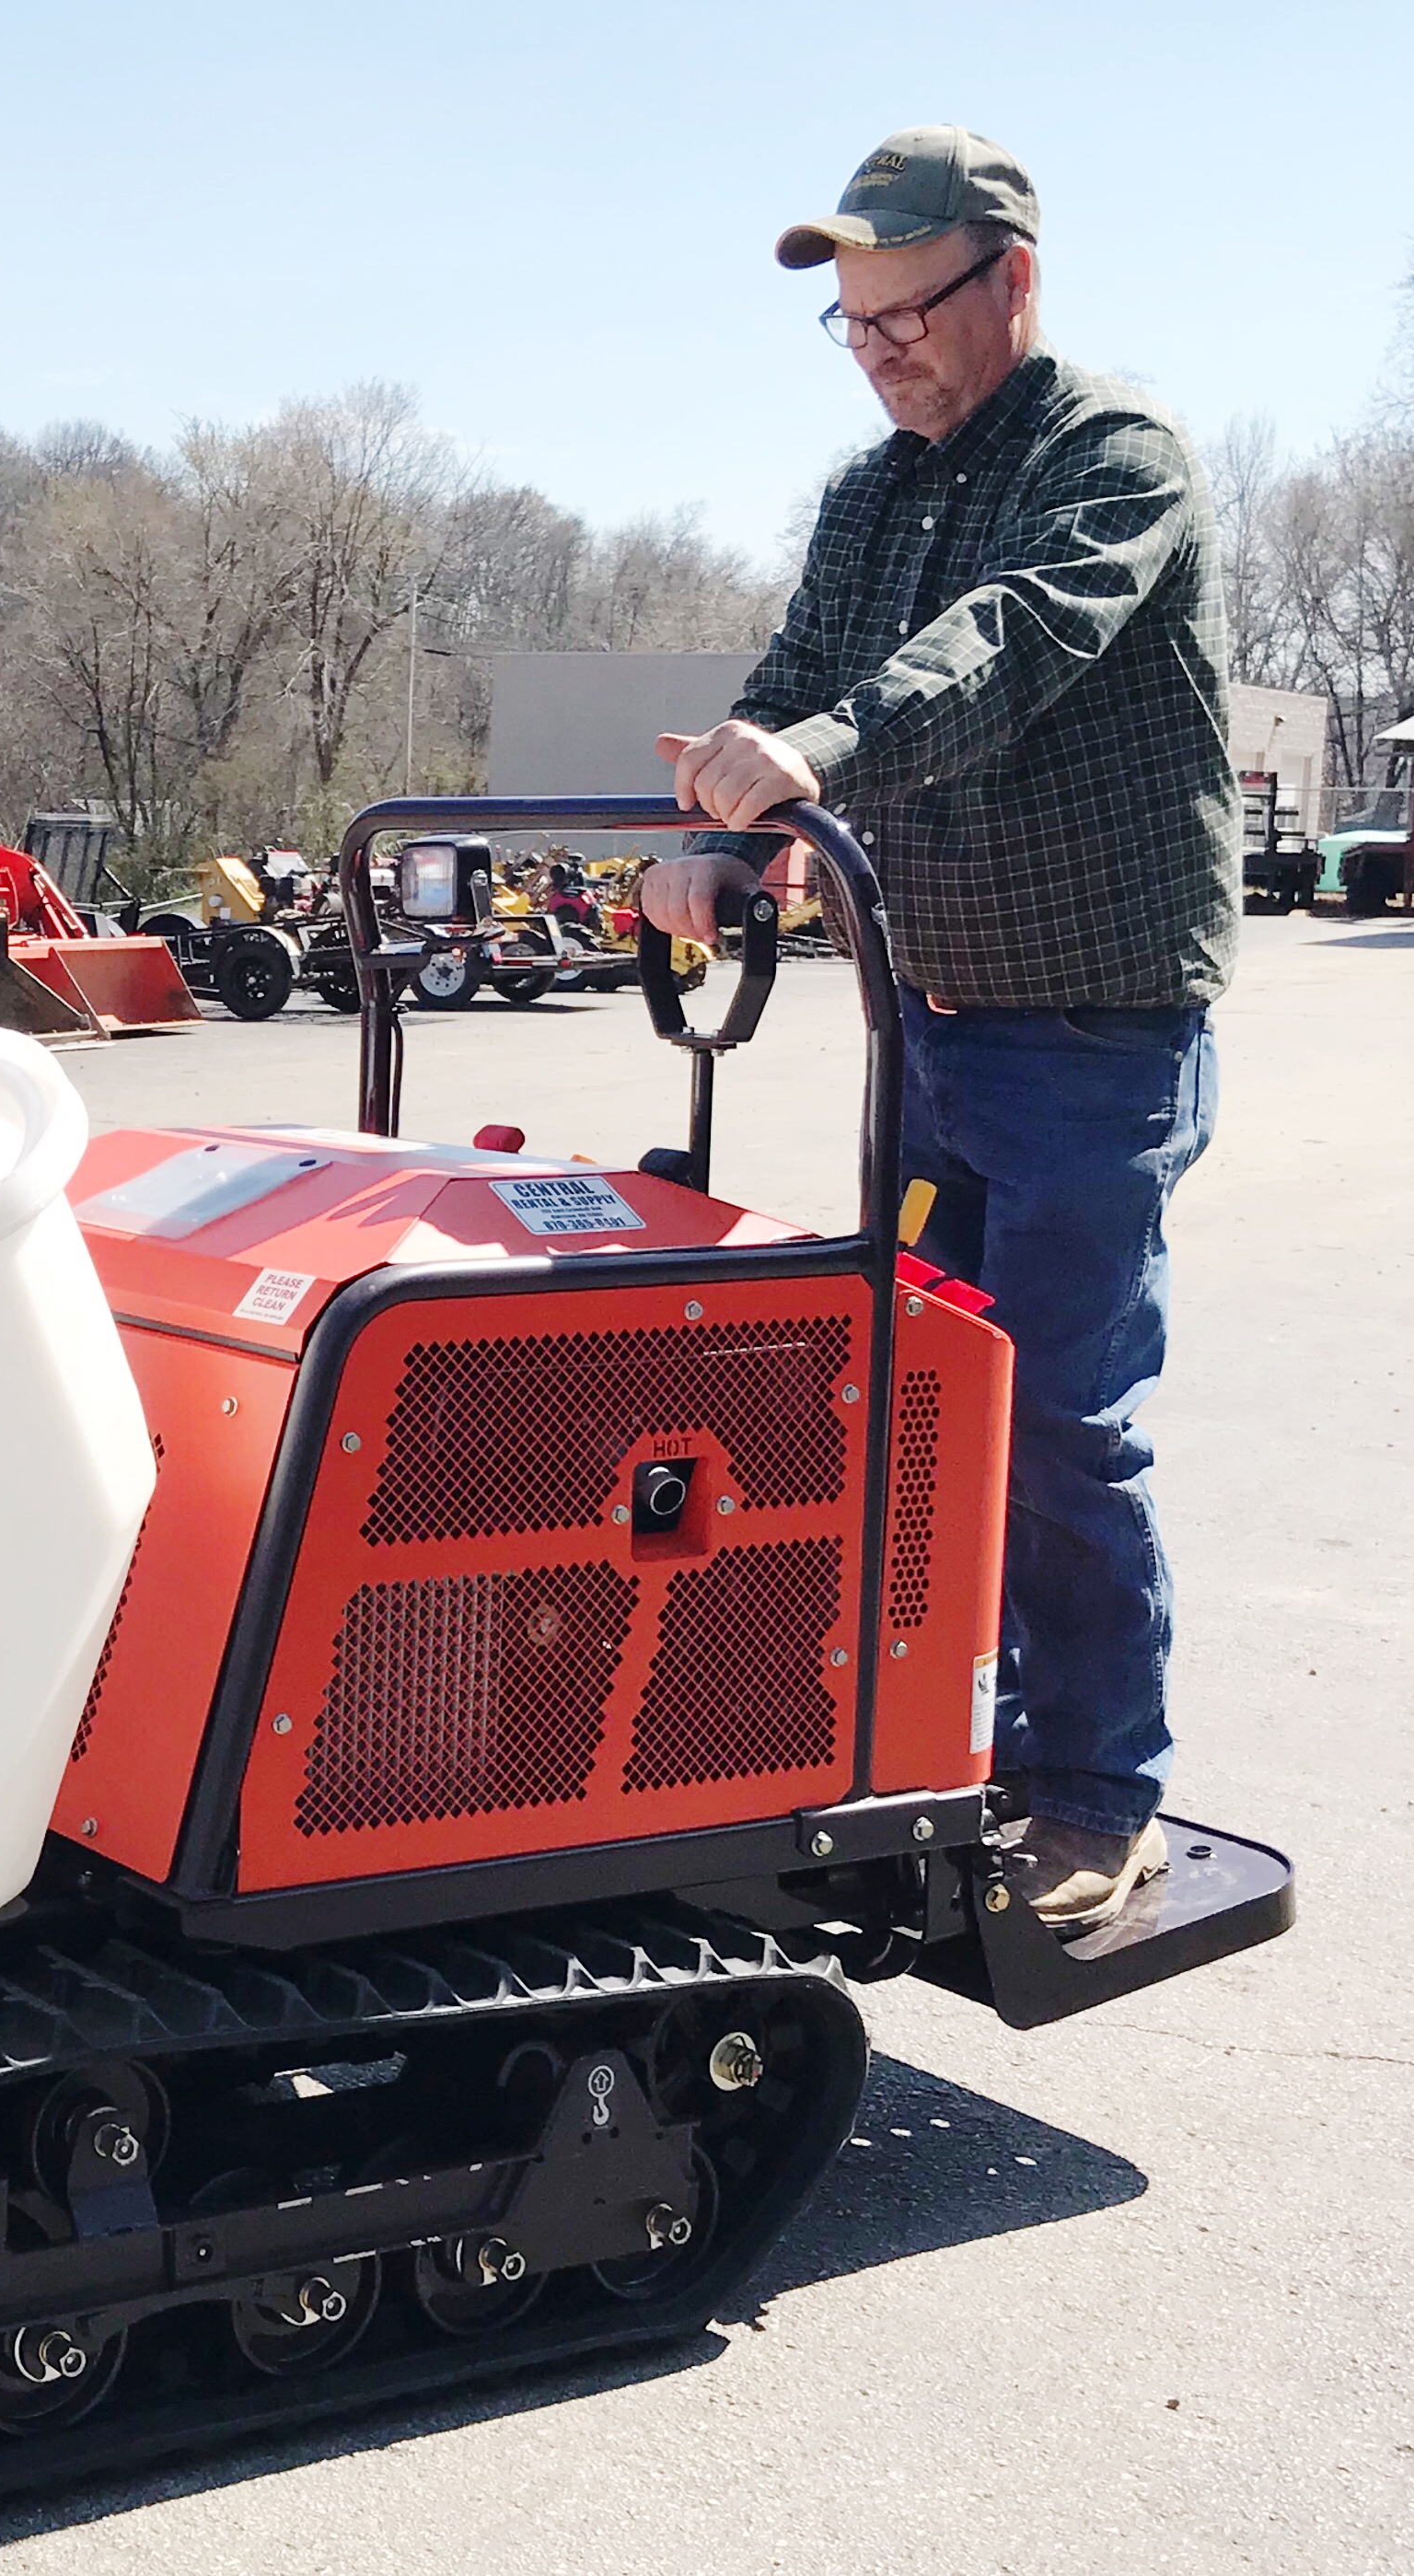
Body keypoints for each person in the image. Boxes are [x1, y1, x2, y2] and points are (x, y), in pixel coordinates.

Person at [640, 126, 1236, 1931]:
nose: (880, 351)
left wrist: (811, 759)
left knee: (1055, 1414)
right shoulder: (869, 497)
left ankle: (1094, 1785)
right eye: (855, 323)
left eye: (907, 314)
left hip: (1092, 1039)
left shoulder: (1109, 457)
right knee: (907, 1393)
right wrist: (720, 829)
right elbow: (797, 675)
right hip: (933, 1027)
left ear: (1011, 281)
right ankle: (937, 1738)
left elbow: (1007, 646)